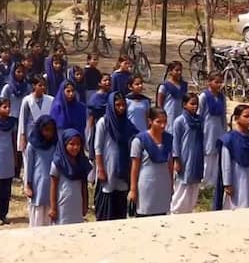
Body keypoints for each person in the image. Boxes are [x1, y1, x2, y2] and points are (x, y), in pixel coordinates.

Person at [94, 93, 137, 221]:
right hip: (108, 165)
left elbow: (136, 137)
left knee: (120, 196)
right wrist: (100, 168)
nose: (121, 108)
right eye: (117, 105)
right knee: (107, 194)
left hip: (122, 166)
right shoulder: (104, 122)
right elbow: (98, 147)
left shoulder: (126, 123)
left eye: (123, 105)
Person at [213, 104, 249, 210]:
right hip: (235, 179)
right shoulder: (229, 139)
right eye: (246, 116)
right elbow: (225, 164)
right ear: (236, 118)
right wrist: (227, 183)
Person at [129, 108, 173, 217]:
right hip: (146, 185)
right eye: (159, 122)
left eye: (165, 122)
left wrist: (171, 184)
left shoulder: (169, 139)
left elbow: (170, 164)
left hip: (163, 184)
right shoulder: (139, 140)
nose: (162, 125)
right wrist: (133, 190)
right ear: (150, 121)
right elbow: (135, 167)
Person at [170, 93, 204, 214]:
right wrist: (176, 159)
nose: (195, 107)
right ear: (184, 105)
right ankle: (176, 210)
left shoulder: (199, 120)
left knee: (194, 185)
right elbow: (176, 142)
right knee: (182, 184)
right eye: (192, 104)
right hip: (185, 158)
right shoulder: (179, 121)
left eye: (196, 104)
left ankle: (189, 209)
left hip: (197, 156)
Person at [49, 128, 91, 225]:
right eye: (72, 144)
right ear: (64, 145)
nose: (75, 147)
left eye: (78, 144)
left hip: (77, 204)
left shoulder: (82, 163)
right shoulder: (57, 163)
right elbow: (53, 187)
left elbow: (84, 186)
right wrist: (53, 208)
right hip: (62, 205)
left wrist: (85, 204)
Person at [24, 115, 57, 227]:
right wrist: (28, 185)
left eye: (51, 130)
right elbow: (29, 166)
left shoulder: (55, 144)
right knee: (37, 215)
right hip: (38, 184)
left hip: (52, 184)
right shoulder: (32, 145)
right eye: (46, 130)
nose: (49, 133)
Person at [199, 72, 226, 187]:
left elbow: (223, 115)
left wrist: (225, 130)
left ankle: (213, 182)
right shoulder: (204, 96)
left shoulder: (222, 97)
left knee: (216, 154)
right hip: (207, 129)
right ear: (209, 82)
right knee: (207, 154)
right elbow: (200, 114)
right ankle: (204, 182)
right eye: (216, 82)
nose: (219, 84)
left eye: (220, 82)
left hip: (218, 129)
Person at [17, 76, 53, 153]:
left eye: (44, 85)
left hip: (45, 134)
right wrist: (23, 136)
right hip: (30, 133)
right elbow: (23, 119)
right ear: (34, 86)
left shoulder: (50, 100)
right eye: (40, 85)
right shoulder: (27, 100)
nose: (42, 87)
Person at [157, 61, 188, 134]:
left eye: (180, 70)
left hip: (181, 114)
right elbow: (159, 104)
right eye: (176, 70)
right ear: (170, 72)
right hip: (169, 115)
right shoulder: (164, 86)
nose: (179, 72)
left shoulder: (183, 86)